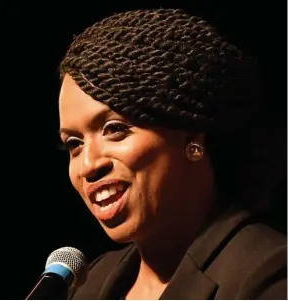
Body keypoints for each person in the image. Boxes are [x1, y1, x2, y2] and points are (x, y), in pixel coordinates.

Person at [57, 8, 286, 300]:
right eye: (74, 143)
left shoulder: (267, 274)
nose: (88, 165)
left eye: (115, 129)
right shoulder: (89, 285)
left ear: (191, 134)